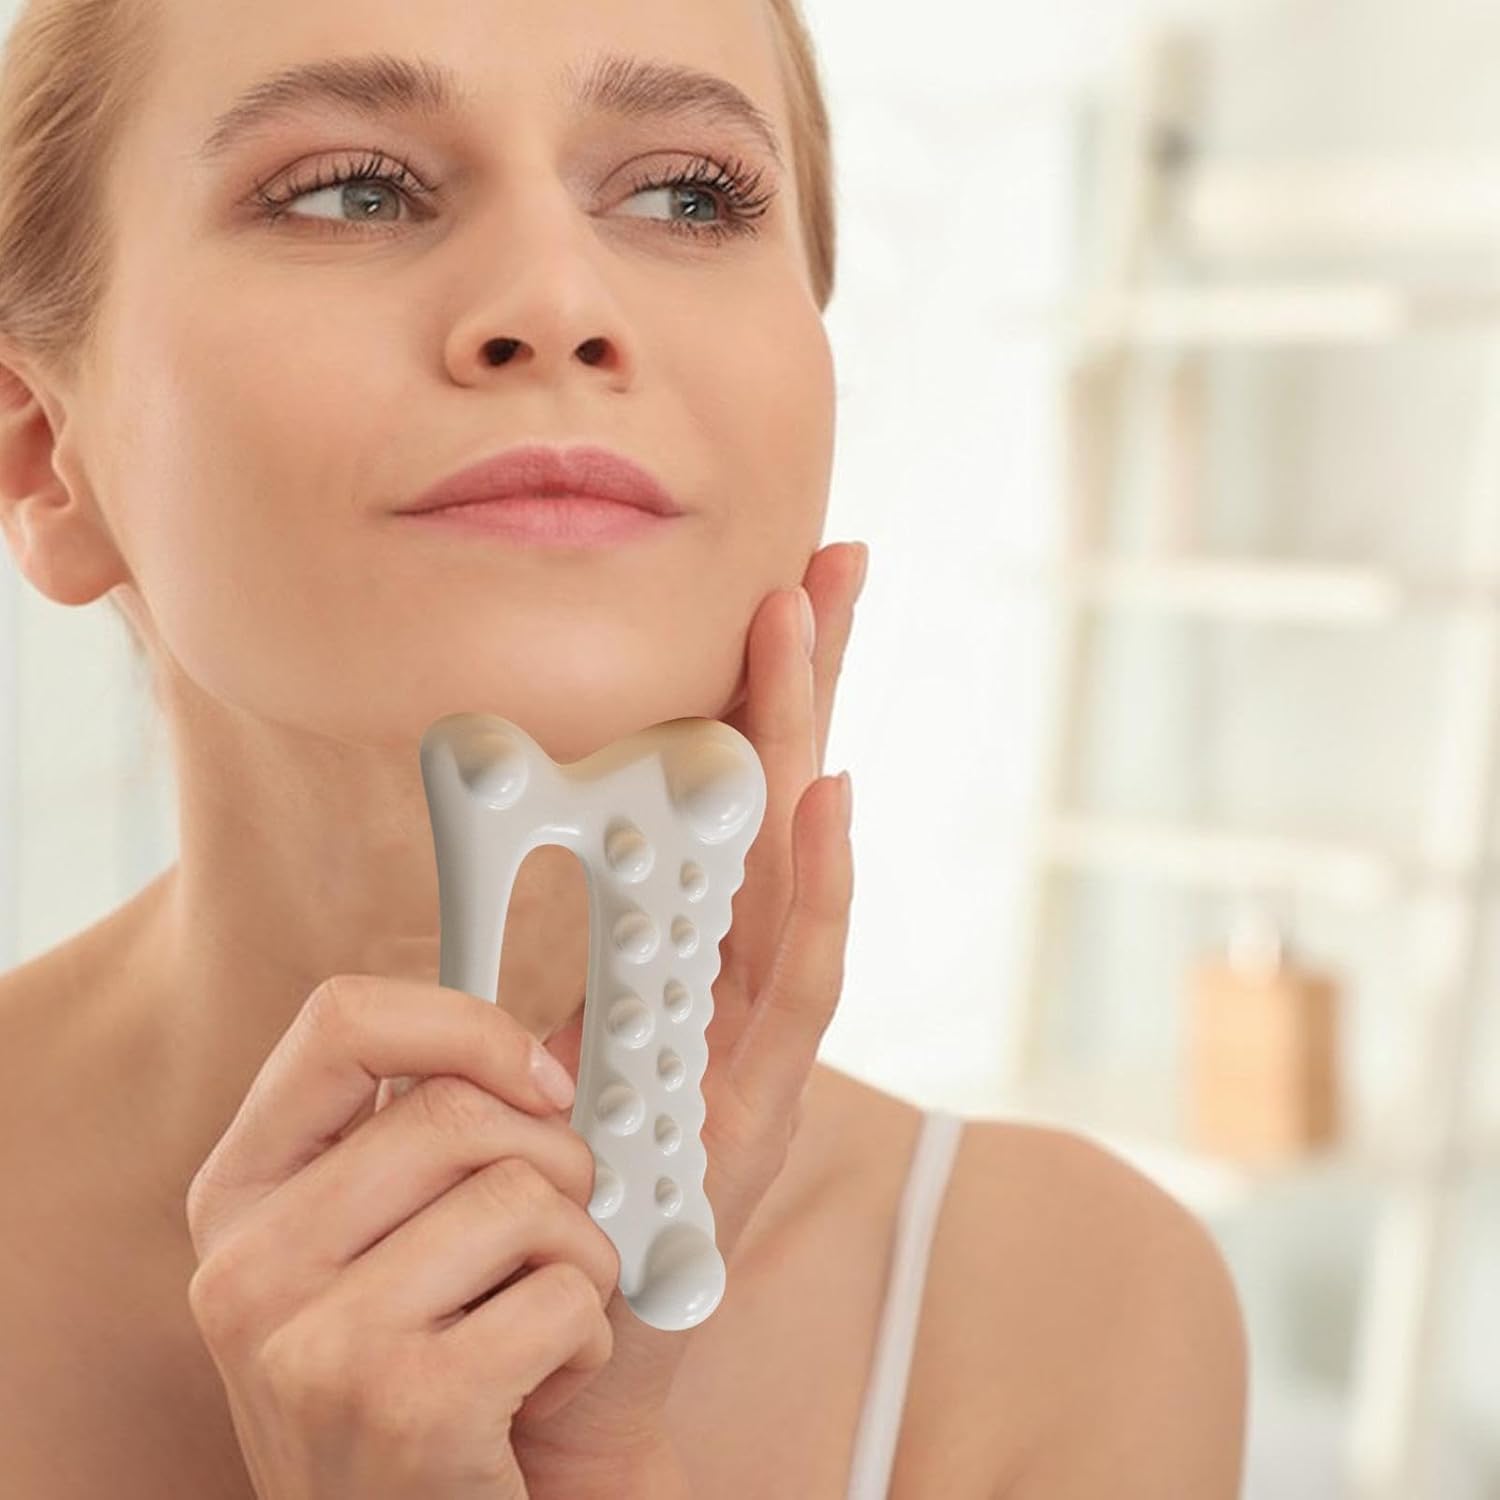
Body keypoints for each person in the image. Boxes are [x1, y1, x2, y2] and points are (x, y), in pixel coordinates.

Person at [0, 0, 1248, 1494]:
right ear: (41, 452)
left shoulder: (1065, 1320)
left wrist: (590, 1461)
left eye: (686, 196)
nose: (554, 296)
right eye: (352, 191)